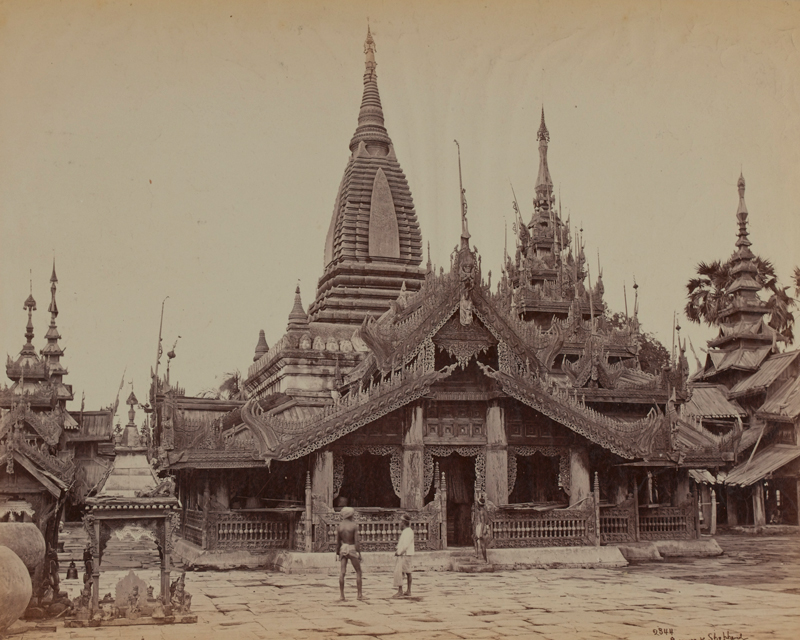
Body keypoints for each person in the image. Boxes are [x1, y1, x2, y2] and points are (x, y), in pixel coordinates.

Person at [335, 506, 363, 601]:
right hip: (351, 548)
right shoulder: (353, 526)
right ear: (350, 515)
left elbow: (338, 542)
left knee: (342, 572)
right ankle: (359, 594)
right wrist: (359, 553)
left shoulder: (339, 526)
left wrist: (337, 552)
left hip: (343, 548)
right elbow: (357, 542)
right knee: (358, 571)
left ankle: (342, 595)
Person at [393, 513, 414, 598]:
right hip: (406, 554)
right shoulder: (406, 531)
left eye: (401, 522)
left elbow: (405, 545)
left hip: (405, 554)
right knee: (408, 572)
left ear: (404, 522)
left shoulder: (408, 532)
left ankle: (401, 590)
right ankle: (408, 590)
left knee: (401, 572)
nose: (400, 523)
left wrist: (399, 552)